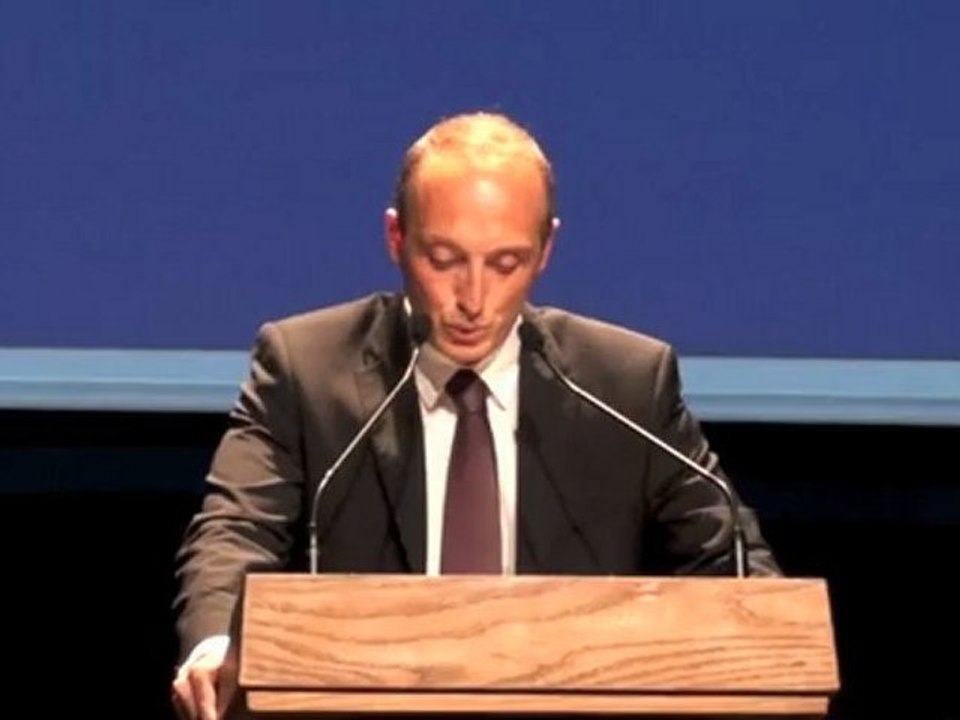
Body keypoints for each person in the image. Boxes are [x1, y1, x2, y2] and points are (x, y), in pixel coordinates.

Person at [170, 111, 780, 719]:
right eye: (444, 259)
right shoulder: (306, 368)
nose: (473, 298)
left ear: (546, 251)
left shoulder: (624, 383)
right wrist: (219, 644)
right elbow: (236, 529)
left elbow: (731, 562)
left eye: (506, 263)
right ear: (396, 239)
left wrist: (771, 643)